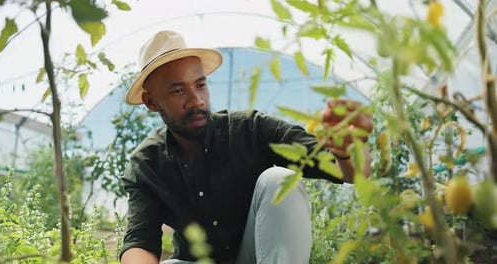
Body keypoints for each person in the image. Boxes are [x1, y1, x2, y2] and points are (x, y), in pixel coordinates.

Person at [119, 30, 372, 264]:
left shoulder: (249, 129)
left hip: (258, 257)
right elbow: (140, 239)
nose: (196, 100)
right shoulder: (147, 163)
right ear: (151, 101)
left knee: (280, 179)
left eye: (200, 85)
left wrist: (347, 147)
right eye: (177, 91)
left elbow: (349, 173)